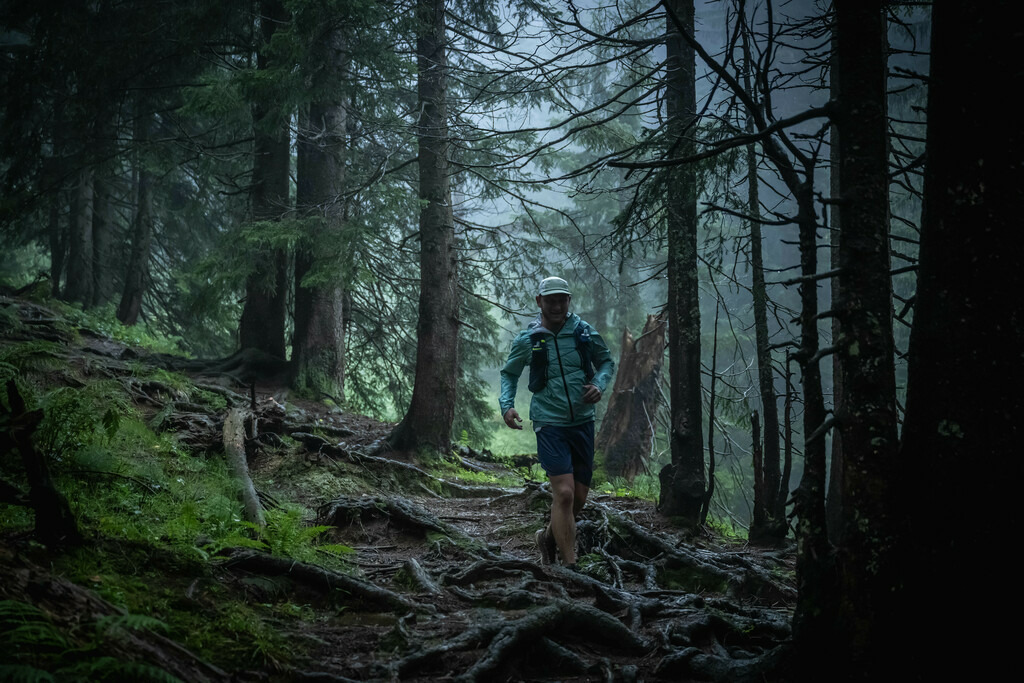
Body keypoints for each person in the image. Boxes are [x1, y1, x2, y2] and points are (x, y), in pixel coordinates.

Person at [499, 276, 615, 567]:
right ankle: (570, 566)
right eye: (550, 300)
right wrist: (507, 406)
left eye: (562, 300)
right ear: (539, 301)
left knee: (579, 498)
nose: (557, 306)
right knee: (563, 494)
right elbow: (510, 373)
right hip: (549, 421)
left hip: (583, 421)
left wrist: (599, 384)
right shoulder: (529, 340)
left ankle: (548, 537)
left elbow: (606, 362)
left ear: (568, 300)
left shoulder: (583, 332)